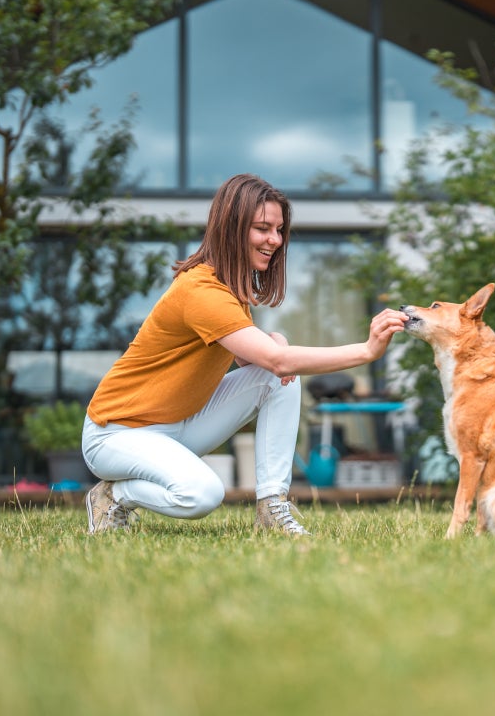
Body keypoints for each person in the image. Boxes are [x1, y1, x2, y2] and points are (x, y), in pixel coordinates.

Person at [81, 173, 407, 536]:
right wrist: (366, 350)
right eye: (263, 228)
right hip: (116, 435)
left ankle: (271, 507)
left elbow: (256, 362)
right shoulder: (201, 291)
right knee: (201, 494)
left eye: (279, 229)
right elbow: (278, 360)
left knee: (278, 379)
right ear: (232, 228)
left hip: (175, 427)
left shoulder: (229, 290)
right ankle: (114, 495)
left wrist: (275, 344)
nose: (275, 240)